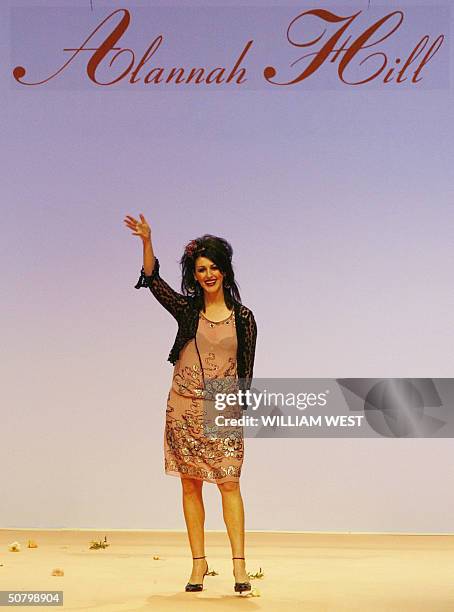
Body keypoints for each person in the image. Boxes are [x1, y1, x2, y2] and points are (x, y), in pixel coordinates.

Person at [123, 213, 257, 595]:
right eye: (201, 268)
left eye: (214, 267)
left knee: (229, 484)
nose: (208, 273)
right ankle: (198, 567)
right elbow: (153, 282)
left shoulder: (245, 318)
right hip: (183, 406)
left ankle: (240, 569)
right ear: (194, 274)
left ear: (225, 272)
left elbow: (246, 372)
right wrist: (147, 241)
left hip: (222, 409)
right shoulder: (186, 310)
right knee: (190, 486)